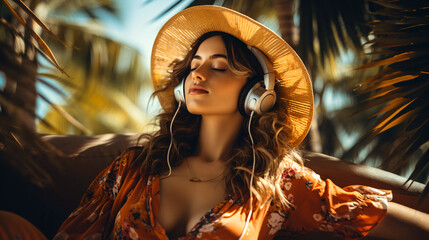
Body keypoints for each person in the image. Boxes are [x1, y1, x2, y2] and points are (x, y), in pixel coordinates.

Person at [1, 5, 428, 240]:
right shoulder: (132, 170)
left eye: (219, 66)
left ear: (258, 94)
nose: (198, 74)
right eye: (194, 64)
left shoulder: (279, 186)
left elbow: (383, 218)